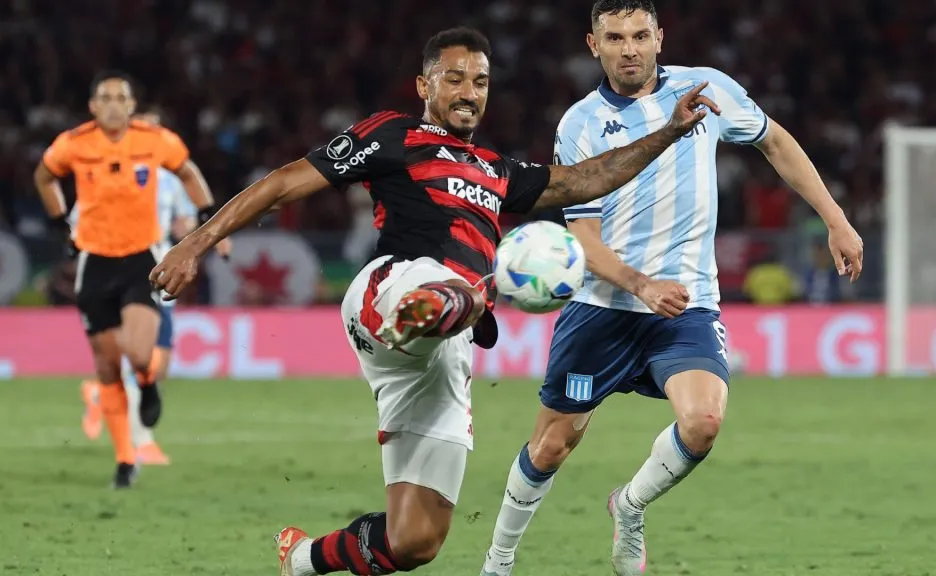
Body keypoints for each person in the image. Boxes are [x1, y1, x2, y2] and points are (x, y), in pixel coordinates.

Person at [150, 27, 718, 576]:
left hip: (445, 353)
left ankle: (302, 559)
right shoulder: (392, 136)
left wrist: (668, 131)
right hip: (394, 287)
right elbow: (282, 183)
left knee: (416, 542)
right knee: (443, 292)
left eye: (480, 81)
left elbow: (585, 180)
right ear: (425, 87)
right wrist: (195, 243)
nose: (469, 92)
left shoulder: (498, 171)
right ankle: (447, 304)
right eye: (454, 79)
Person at [478, 2, 864, 575]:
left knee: (704, 421)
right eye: (615, 37)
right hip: (601, 305)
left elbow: (775, 141)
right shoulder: (579, 125)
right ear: (593, 45)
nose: (629, 48)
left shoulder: (706, 91)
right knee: (551, 446)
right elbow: (582, 235)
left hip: (685, 302)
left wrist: (835, 217)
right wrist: (640, 285)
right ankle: (498, 561)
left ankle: (629, 506)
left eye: (639, 35)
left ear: (661, 37)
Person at [34, 72, 223, 488]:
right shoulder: (74, 144)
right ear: (93, 106)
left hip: (141, 259)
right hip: (94, 262)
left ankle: (147, 381)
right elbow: (44, 177)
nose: (114, 104)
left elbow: (189, 173)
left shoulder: (155, 141)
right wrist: (59, 223)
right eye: (106, 97)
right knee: (105, 366)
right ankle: (125, 460)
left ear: (132, 105)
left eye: (122, 97)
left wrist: (207, 217)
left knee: (139, 352)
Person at [77, 108, 232, 465]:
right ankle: (142, 442)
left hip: (163, 270)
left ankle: (101, 395)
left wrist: (208, 236)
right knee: (145, 354)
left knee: (156, 363)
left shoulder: (174, 180)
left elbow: (183, 223)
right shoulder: (108, 172)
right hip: (130, 270)